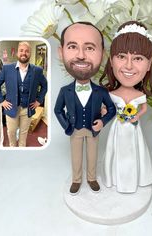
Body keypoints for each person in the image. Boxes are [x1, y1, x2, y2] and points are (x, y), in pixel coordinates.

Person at [54, 22, 116, 195]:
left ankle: (92, 178)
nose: (81, 55)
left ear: (102, 55)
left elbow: (111, 109)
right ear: (61, 52)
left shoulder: (101, 91)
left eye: (89, 48)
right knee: (76, 157)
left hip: (93, 131)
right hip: (74, 130)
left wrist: (102, 122)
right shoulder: (65, 91)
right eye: (73, 46)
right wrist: (67, 126)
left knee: (92, 156)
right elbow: (58, 110)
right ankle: (76, 180)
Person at [99, 21, 152, 193]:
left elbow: (143, 108)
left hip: (133, 130)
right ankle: (115, 177)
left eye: (138, 58)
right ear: (111, 60)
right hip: (118, 128)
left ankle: (133, 179)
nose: (129, 65)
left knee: (134, 154)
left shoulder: (139, 96)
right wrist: (103, 112)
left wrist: (138, 116)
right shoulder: (112, 94)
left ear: (149, 64)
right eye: (122, 56)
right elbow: (106, 109)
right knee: (115, 153)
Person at [0, 41, 48, 147]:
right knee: (11, 133)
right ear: (17, 53)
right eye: (21, 50)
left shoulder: (37, 70)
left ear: (30, 53)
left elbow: (45, 86)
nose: (24, 53)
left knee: (24, 134)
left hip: (28, 108)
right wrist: (1, 100)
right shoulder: (7, 69)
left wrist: (39, 101)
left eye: (27, 51)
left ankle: (22, 150)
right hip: (11, 107)